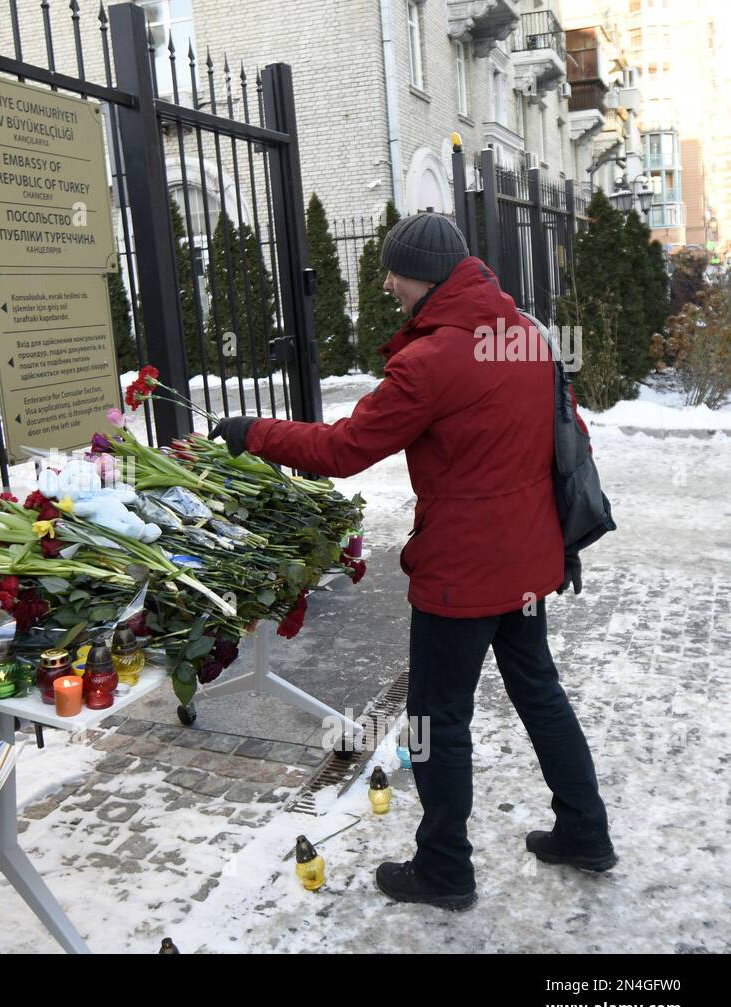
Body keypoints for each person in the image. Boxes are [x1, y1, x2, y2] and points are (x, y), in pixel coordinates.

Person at [209, 211, 615, 912]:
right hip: (526, 562)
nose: (389, 284)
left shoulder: (431, 361)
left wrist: (253, 432)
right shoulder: (522, 332)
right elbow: (565, 430)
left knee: (437, 718)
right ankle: (585, 829)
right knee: (539, 690)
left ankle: (444, 869)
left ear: (424, 276)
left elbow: (343, 449)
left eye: (394, 272)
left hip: (462, 574)